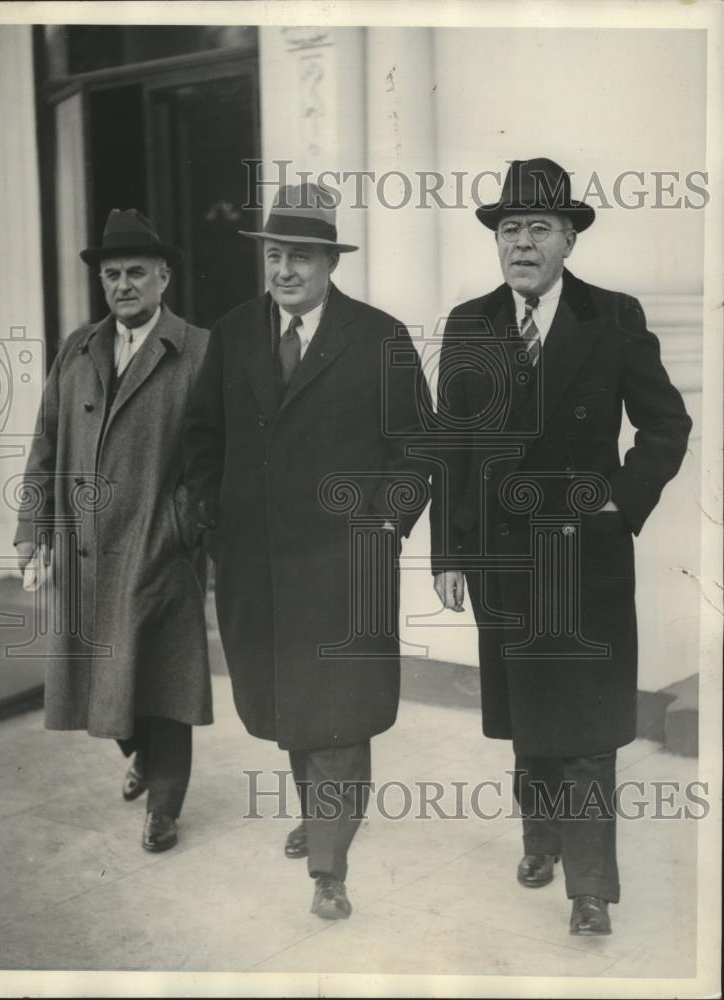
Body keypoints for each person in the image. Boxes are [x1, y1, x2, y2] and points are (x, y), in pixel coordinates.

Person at [430, 158, 692, 935]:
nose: (522, 242)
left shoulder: (612, 316)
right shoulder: (470, 323)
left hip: (585, 556)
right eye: (509, 228)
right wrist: (449, 554)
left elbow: (665, 424)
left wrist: (621, 498)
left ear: (570, 239)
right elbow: (451, 447)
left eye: (539, 228)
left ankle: (591, 890)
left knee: (587, 724)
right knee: (528, 713)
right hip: (502, 556)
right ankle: (540, 838)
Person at [184, 183, 430, 919]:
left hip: (343, 563)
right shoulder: (233, 332)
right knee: (289, 700)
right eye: (275, 255)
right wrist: (212, 517)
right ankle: (322, 813)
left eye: (301, 256)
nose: (284, 270)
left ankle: (330, 867)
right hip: (258, 563)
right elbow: (202, 436)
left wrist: (385, 524)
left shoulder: (379, 337)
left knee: (341, 709)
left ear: (331, 262)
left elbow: (417, 445)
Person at [15, 209, 213, 853]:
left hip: (159, 542)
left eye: (135, 273)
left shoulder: (198, 349)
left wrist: (185, 521)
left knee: (167, 677)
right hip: (86, 548)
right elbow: (45, 442)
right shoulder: (77, 349)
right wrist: (31, 529)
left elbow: (215, 457)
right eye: (111, 275)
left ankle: (164, 807)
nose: (123, 285)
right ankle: (141, 755)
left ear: (163, 277)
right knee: (106, 674)